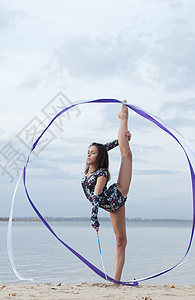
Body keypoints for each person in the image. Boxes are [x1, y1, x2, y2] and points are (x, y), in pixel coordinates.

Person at [81, 100, 132, 282]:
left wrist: (94, 219)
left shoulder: (101, 173)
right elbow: (106, 148)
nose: (88, 155)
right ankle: (116, 282)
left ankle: (123, 116)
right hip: (112, 207)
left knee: (127, 155)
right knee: (121, 242)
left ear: (99, 157)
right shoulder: (88, 172)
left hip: (118, 194)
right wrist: (120, 140)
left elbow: (96, 198)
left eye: (92, 153)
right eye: (88, 152)